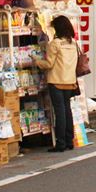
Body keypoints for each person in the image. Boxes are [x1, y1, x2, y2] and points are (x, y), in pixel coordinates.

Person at [35, 14, 79, 152]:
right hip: (70, 81)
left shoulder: (55, 44)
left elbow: (48, 64)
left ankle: (60, 143)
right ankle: (69, 140)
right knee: (67, 110)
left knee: (59, 112)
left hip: (57, 81)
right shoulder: (73, 43)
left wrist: (36, 61)